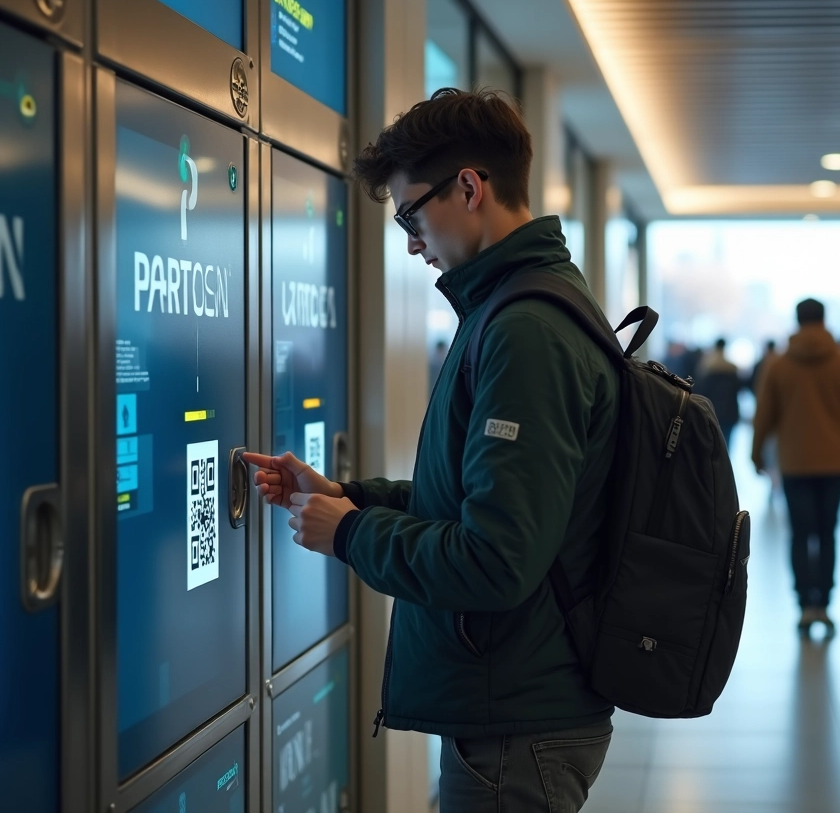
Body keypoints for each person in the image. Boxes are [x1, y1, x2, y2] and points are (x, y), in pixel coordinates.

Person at [245, 88, 618, 812]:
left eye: (411, 214)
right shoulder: (511, 310)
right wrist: (349, 498)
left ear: (470, 188)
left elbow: (496, 560)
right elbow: (482, 502)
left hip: (516, 720)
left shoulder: (524, 331)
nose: (412, 241)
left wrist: (350, 532)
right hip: (515, 701)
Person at [752, 298, 840, 632]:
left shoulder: (779, 365)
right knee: (827, 532)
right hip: (836, 461)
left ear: (797, 321)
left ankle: (804, 603)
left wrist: (756, 455)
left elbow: (763, 414)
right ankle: (824, 601)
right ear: (824, 320)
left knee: (799, 532)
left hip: (794, 461)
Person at [696, 338, 743, 447]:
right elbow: (738, 388)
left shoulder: (707, 366)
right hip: (729, 411)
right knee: (727, 444)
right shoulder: (732, 367)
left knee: (713, 443)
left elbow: (701, 391)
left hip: (712, 410)